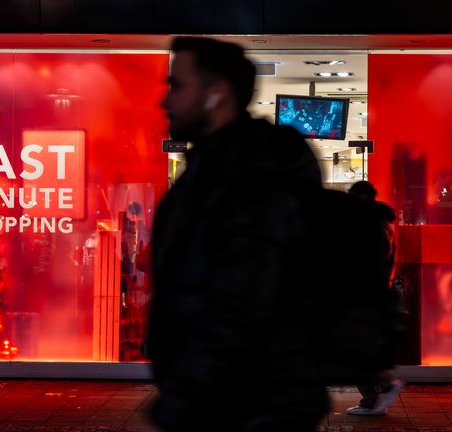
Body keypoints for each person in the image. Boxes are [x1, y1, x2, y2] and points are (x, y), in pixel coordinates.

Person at [144, 37, 328, 432]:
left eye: (177, 85)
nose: (165, 100)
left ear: (217, 93)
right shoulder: (214, 168)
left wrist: (185, 403)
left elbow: (240, 302)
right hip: (234, 399)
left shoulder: (250, 174)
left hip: (244, 405)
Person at [344, 181, 405, 416]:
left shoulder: (372, 225)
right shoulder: (376, 222)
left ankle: (377, 394)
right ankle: (375, 396)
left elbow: (370, 261)